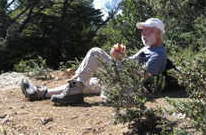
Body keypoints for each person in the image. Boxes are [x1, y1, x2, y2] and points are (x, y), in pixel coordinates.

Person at [21, 18, 167, 105]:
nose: (142, 33)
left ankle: (74, 91)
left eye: (147, 30)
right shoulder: (146, 49)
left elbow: (144, 77)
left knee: (95, 52)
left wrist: (121, 59)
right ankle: (41, 93)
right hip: (122, 82)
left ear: (158, 32)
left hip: (131, 88)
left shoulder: (158, 54)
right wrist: (122, 56)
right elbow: (130, 67)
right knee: (87, 82)